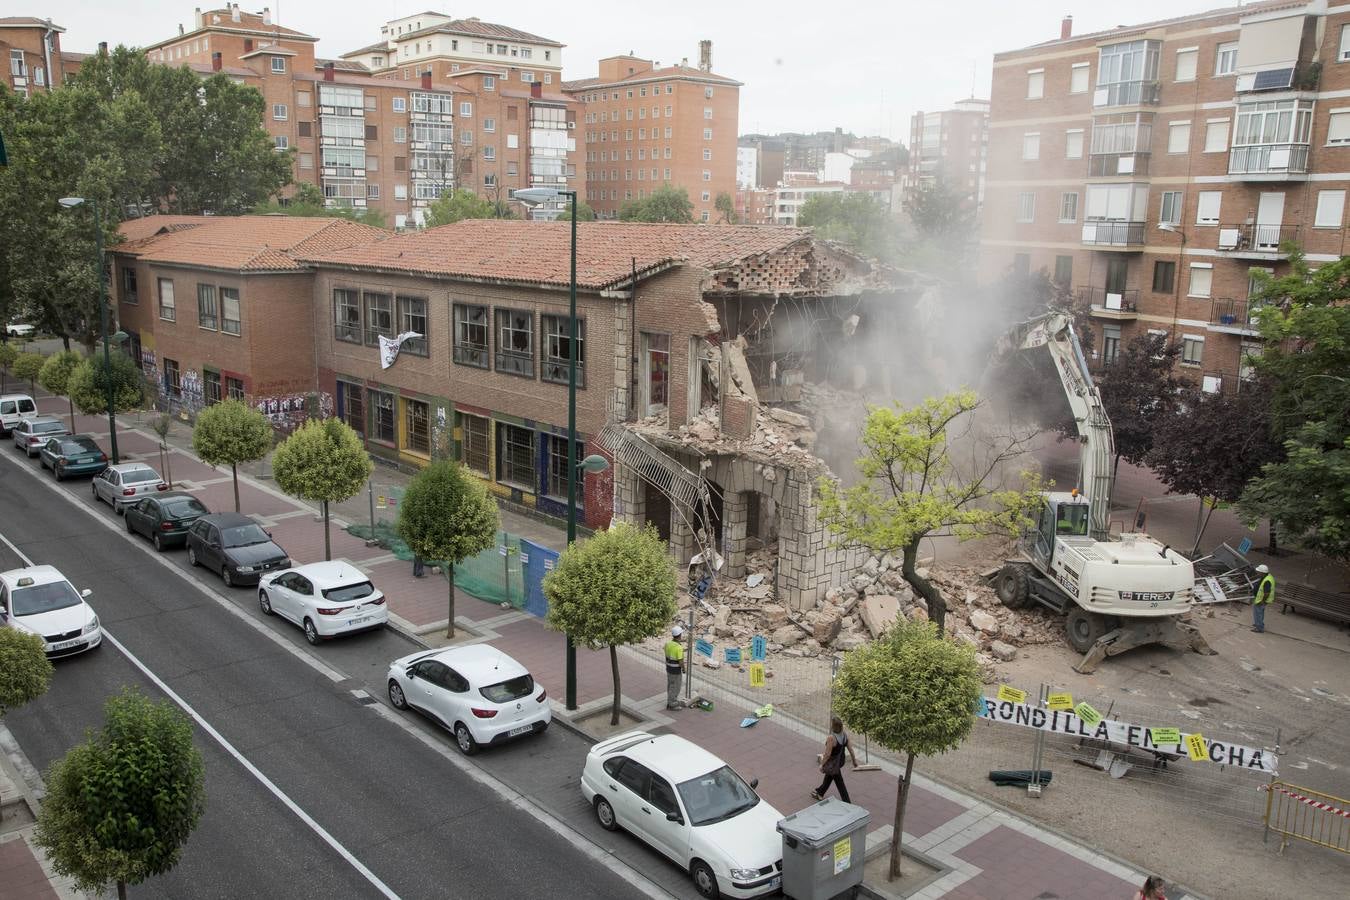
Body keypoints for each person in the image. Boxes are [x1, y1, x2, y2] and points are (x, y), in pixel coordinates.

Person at [811, 716, 859, 803]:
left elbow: (827, 754)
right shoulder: (844, 735)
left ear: (833, 726)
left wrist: (822, 764)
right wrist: (854, 761)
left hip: (833, 764)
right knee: (830, 775)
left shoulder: (831, 738)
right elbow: (851, 750)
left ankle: (847, 802)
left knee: (839, 781)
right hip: (840, 761)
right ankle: (820, 792)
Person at [664, 626, 686, 710]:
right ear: (679, 635)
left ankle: (670, 700)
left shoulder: (668, 644)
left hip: (668, 668)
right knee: (676, 687)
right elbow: (680, 661)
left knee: (670, 685)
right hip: (676, 671)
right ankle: (672, 704)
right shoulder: (679, 648)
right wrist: (684, 669)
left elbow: (669, 653)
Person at [1251, 563, 1275, 633]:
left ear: (1262, 573)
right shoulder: (1266, 577)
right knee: (1259, 612)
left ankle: (1259, 628)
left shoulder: (1267, 580)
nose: (1257, 573)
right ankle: (1258, 623)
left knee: (1258, 612)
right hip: (1260, 599)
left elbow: (1267, 593)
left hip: (1261, 600)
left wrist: (1262, 601)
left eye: (1259, 572)